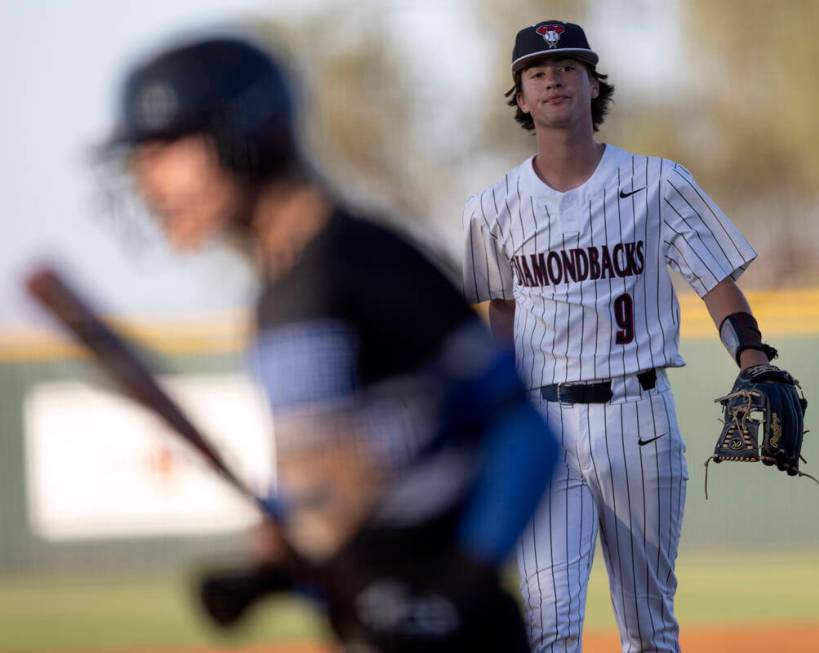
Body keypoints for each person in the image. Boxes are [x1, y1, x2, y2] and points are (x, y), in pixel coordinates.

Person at [105, 33, 559, 652]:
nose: (147, 181)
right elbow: (345, 486)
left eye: (164, 150)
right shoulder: (278, 291)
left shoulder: (361, 259)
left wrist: (461, 584)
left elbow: (522, 428)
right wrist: (270, 573)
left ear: (246, 134)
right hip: (369, 625)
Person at [463, 20, 787, 653]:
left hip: (638, 414)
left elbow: (714, 281)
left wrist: (751, 356)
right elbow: (500, 316)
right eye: (537, 73)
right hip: (544, 421)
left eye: (567, 68)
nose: (553, 78)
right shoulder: (491, 207)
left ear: (592, 86)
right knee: (548, 623)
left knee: (647, 625)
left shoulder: (659, 181)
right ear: (522, 99)